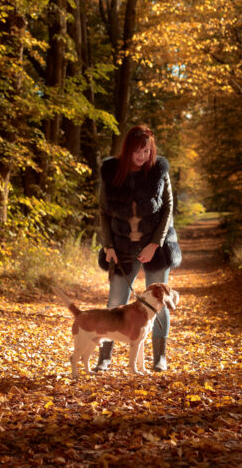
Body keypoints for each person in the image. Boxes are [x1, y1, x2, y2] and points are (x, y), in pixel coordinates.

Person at [96, 124, 179, 372]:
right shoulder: (111, 171)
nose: (142, 156)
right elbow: (103, 212)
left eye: (146, 150)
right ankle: (105, 358)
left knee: (158, 303)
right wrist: (108, 245)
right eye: (137, 152)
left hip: (155, 245)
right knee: (115, 301)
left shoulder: (158, 171)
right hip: (121, 246)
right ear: (127, 150)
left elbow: (168, 209)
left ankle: (159, 357)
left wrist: (155, 244)